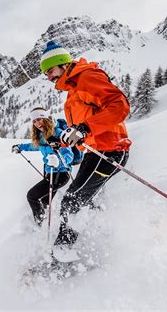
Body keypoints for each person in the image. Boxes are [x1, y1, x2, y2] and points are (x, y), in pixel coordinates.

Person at [40, 41, 131, 254]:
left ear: (62, 64)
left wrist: (85, 128)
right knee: (85, 200)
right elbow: (81, 130)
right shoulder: (74, 89)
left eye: (50, 71)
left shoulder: (87, 77)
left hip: (108, 151)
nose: (49, 77)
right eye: (46, 74)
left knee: (72, 201)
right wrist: (62, 140)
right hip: (95, 152)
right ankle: (96, 244)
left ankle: (63, 254)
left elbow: (120, 105)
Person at [12, 107, 82, 226]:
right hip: (49, 172)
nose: (37, 123)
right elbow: (34, 146)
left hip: (61, 173)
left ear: (46, 118)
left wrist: (58, 162)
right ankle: (44, 223)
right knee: (44, 201)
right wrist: (20, 147)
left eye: (39, 119)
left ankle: (39, 226)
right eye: (34, 121)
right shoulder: (40, 135)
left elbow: (69, 155)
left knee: (32, 196)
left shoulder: (59, 133)